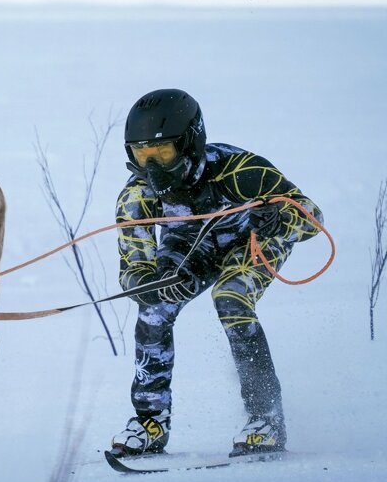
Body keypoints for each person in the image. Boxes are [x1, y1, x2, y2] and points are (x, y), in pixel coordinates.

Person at [109, 89, 323, 458]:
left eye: (163, 153)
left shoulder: (241, 170)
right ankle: (151, 420)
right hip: (191, 248)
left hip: (253, 239)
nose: (152, 168)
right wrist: (152, 285)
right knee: (154, 309)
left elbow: (313, 218)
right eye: (141, 156)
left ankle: (266, 417)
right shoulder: (138, 197)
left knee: (231, 297)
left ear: (191, 142)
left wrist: (279, 219)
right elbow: (134, 270)